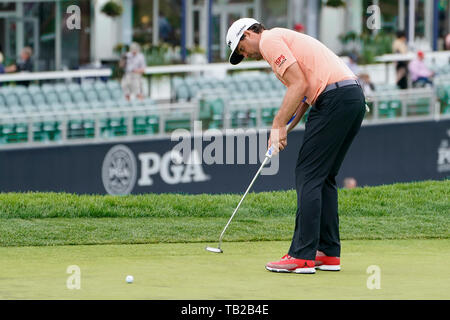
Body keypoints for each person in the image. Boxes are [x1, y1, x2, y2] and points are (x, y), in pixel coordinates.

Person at [226, 18, 366, 274]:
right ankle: (328, 252)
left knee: (308, 175)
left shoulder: (269, 40)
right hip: (351, 97)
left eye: (240, 50)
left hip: (334, 98)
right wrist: (285, 130)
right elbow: (302, 93)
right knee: (323, 177)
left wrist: (276, 125)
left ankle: (301, 256)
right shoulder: (280, 41)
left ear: (247, 34)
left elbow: (299, 84)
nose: (244, 55)